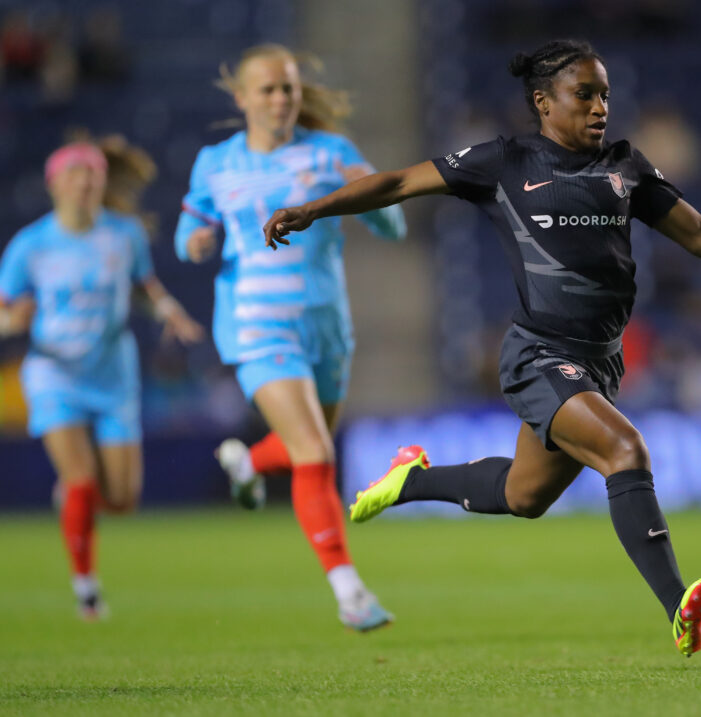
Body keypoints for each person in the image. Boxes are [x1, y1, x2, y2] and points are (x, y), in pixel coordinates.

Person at [262, 39, 701, 657]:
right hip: (539, 353)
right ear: (543, 103)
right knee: (625, 450)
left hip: (600, 358)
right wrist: (313, 210)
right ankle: (679, 605)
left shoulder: (627, 168)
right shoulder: (504, 162)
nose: (600, 108)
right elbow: (399, 182)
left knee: (524, 495)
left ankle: (411, 481)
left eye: (605, 96)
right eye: (584, 95)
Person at [174, 44, 406, 631]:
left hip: (326, 325)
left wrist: (373, 198)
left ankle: (249, 463)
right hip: (256, 323)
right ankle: (349, 592)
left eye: (289, 89)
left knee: (309, 448)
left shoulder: (331, 153)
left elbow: (395, 226)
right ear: (243, 98)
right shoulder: (216, 162)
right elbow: (189, 230)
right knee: (315, 454)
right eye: (269, 89)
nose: (280, 99)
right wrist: (195, 242)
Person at [0, 137, 203, 620]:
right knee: (81, 479)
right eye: (75, 174)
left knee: (123, 499)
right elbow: (5, 312)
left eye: (92, 174)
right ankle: (87, 588)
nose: (85, 183)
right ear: (54, 184)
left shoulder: (124, 234)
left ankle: (72, 498)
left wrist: (168, 309)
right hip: (55, 375)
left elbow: (143, 286)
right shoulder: (31, 244)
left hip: (113, 375)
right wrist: (14, 323)